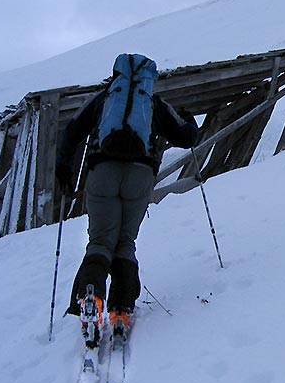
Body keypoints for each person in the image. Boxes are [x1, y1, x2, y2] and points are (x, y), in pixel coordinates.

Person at [55, 53, 199, 345]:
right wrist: (188, 118)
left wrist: (64, 171)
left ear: (116, 74)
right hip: (139, 175)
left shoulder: (104, 99)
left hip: (102, 171)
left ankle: (91, 297)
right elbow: (187, 137)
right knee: (125, 242)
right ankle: (121, 310)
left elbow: (71, 131)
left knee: (100, 241)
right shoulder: (154, 105)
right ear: (149, 78)